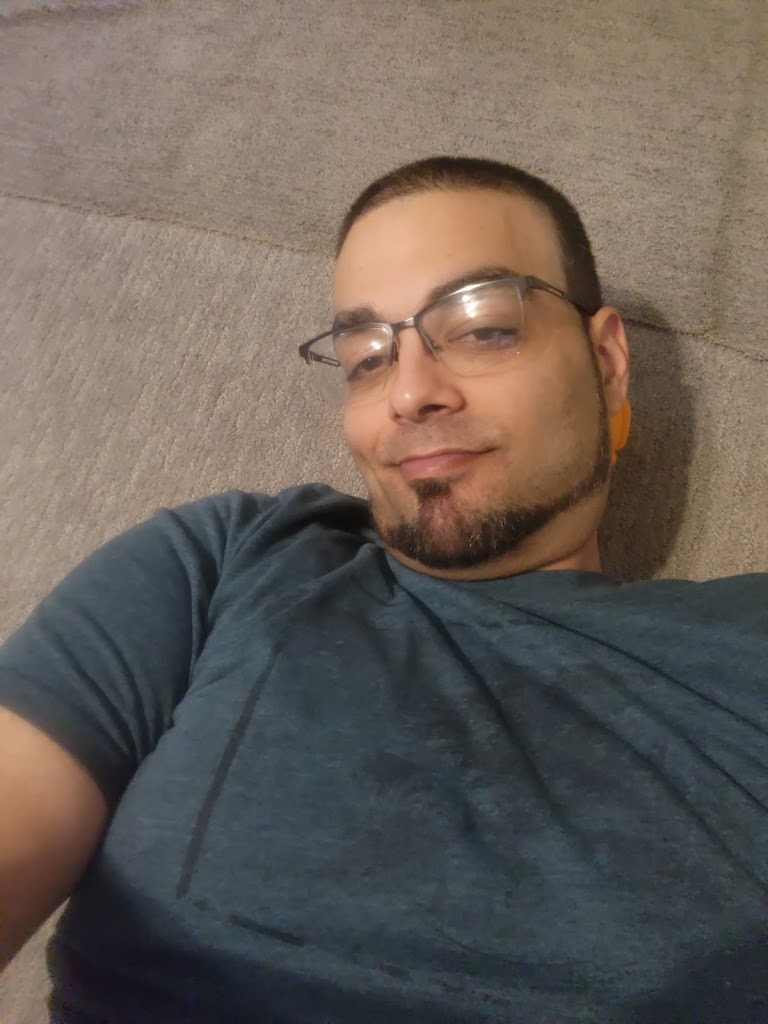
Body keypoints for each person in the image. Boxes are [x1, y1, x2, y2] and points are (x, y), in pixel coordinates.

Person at [0, 155, 765, 1024]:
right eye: (366, 358)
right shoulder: (226, 561)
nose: (408, 392)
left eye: (482, 326)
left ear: (608, 360)